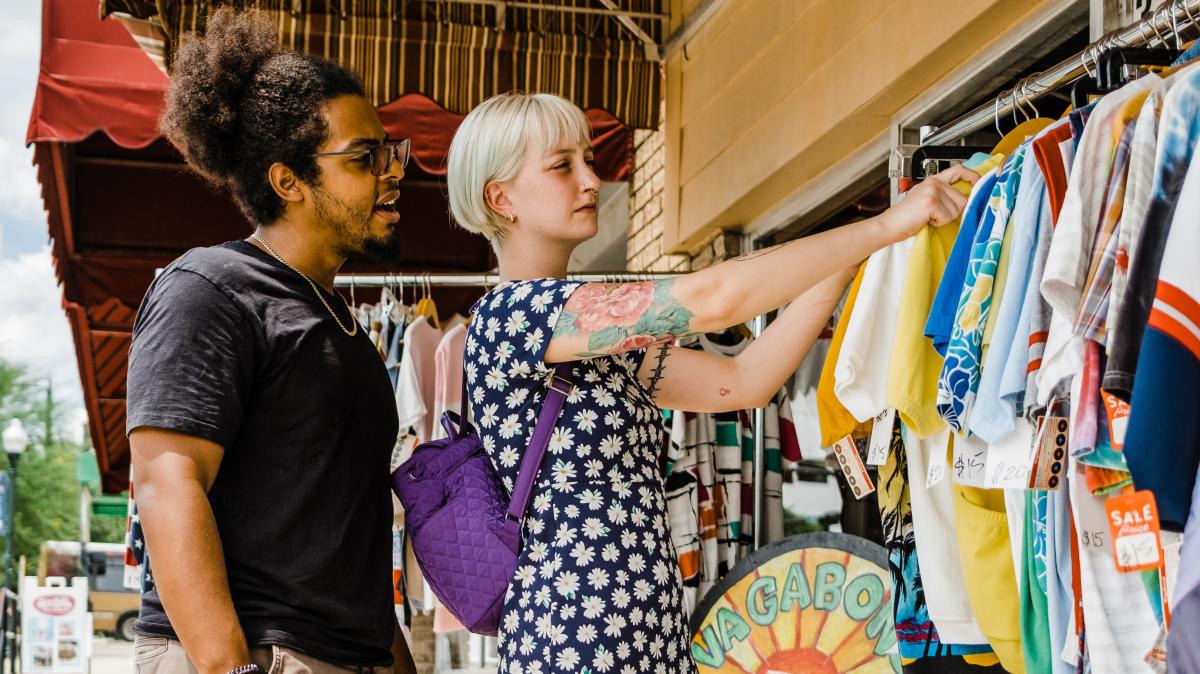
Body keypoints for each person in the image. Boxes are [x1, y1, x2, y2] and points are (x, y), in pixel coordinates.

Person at [445, 91, 977, 672]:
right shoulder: (515, 315)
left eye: (589, 160)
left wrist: (856, 255)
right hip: (575, 630)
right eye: (561, 166)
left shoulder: (593, 337)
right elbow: (715, 299)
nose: (591, 180)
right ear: (501, 198)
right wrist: (883, 225)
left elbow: (742, 381)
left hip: (641, 624)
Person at [125, 10, 415, 674]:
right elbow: (168, 482)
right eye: (363, 158)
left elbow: (344, 541)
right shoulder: (210, 289)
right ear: (288, 181)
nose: (392, 172)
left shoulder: (339, 323)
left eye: (389, 151)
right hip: (255, 654)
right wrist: (230, 668)